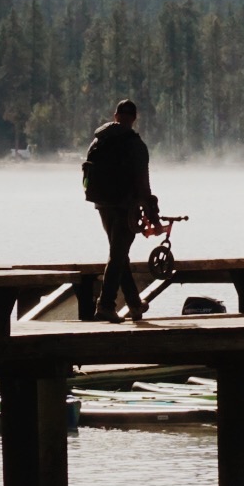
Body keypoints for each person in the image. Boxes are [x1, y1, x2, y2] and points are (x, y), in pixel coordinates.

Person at [82, 99, 161, 322]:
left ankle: (134, 304)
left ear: (115, 115)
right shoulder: (135, 145)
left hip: (102, 204)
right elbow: (143, 186)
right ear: (134, 118)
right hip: (126, 207)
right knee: (117, 254)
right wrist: (153, 218)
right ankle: (106, 305)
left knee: (119, 253)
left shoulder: (98, 140)